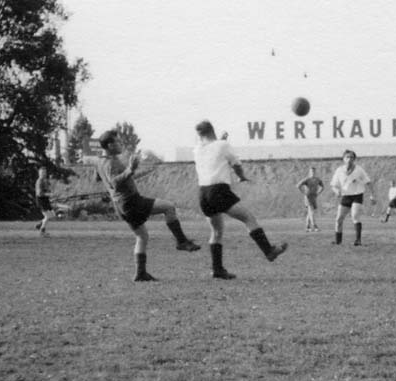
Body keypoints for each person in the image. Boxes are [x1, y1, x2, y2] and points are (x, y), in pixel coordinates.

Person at [96, 129, 200, 282]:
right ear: (110, 145)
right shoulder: (110, 162)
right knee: (168, 207)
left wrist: (139, 172)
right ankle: (181, 241)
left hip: (120, 205)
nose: (120, 144)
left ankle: (140, 273)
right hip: (130, 201)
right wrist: (130, 169)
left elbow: (100, 179)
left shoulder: (100, 161)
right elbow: (114, 182)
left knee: (142, 236)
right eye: (117, 142)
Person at [193, 120, 287, 279]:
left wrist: (220, 141)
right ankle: (269, 251)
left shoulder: (197, 149)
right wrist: (241, 176)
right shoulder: (222, 145)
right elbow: (236, 164)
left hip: (203, 194)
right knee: (248, 218)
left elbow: (212, 152)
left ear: (200, 135)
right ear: (213, 130)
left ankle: (217, 270)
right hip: (218, 190)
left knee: (216, 231)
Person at [330, 149, 377, 245]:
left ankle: (358, 240)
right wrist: (336, 191)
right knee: (339, 219)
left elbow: (368, 182)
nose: (349, 159)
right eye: (347, 157)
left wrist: (372, 195)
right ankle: (338, 241)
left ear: (354, 159)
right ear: (343, 159)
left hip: (357, 195)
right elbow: (333, 185)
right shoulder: (339, 170)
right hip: (345, 196)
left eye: (352, 157)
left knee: (355, 216)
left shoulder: (359, 170)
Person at [296, 166, 325, 232]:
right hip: (308, 197)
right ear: (309, 172)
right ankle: (315, 226)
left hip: (314, 197)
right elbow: (298, 185)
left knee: (310, 212)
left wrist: (318, 193)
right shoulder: (307, 179)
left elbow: (323, 187)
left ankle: (307, 227)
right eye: (311, 171)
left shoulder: (318, 180)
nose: (313, 172)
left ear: (315, 172)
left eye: (314, 171)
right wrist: (304, 192)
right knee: (311, 211)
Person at [34, 166, 54, 236]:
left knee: (52, 215)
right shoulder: (39, 181)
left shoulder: (45, 180)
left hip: (45, 199)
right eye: (42, 172)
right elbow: (39, 193)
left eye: (45, 172)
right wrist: (49, 194)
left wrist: (50, 195)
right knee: (48, 216)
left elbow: (48, 190)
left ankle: (40, 224)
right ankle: (42, 231)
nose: (44, 174)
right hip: (41, 200)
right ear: (39, 173)